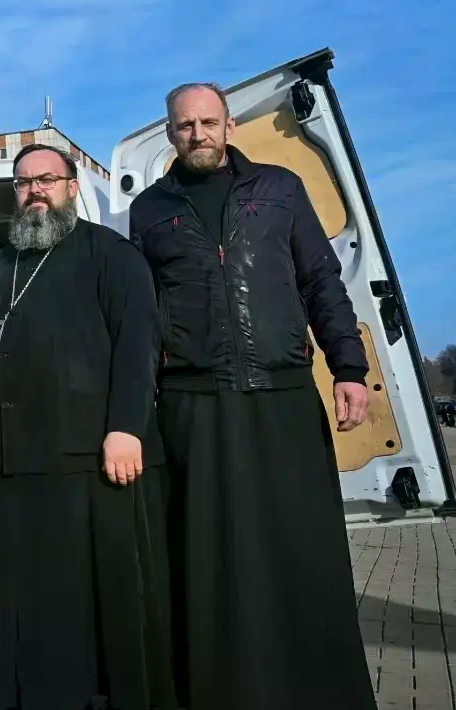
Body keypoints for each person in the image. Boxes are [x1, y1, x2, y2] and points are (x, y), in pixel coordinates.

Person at [130, 82, 375, 710]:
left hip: (282, 397)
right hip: (193, 404)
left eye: (209, 122)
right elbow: (141, 317)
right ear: (169, 132)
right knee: (209, 561)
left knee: (300, 553)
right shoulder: (151, 211)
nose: (198, 134)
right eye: (186, 125)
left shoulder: (280, 189)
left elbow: (321, 279)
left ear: (230, 125)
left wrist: (349, 367)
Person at [0, 144, 176, 710]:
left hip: (87, 453)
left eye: (47, 180)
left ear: (73, 188)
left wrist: (126, 427)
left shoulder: (112, 255)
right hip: (15, 457)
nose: (35, 190)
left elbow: (139, 346)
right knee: (24, 589)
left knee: (84, 592)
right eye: (24, 182)